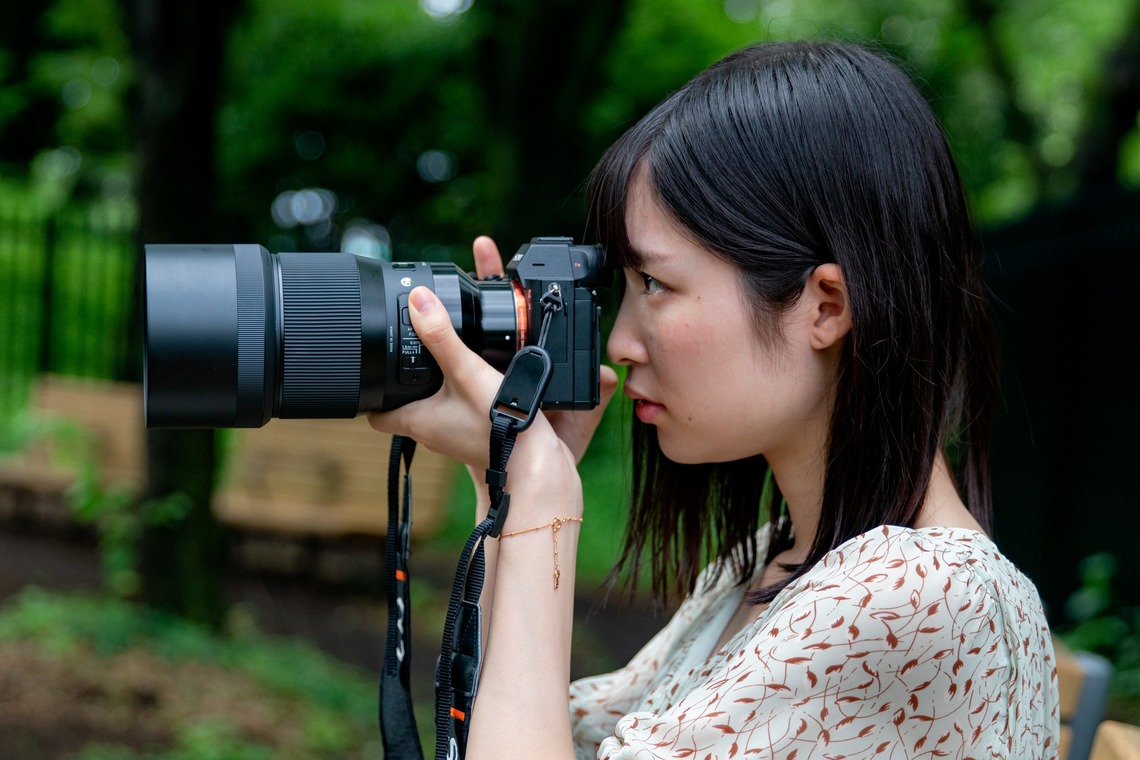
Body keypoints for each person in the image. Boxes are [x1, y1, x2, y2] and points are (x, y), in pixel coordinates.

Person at [369, 39, 1060, 759]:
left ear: (825, 306)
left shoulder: (921, 599)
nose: (621, 342)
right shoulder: (772, 563)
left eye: (656, 286)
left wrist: (544, 506)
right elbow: (535, 729)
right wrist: (507, 486)